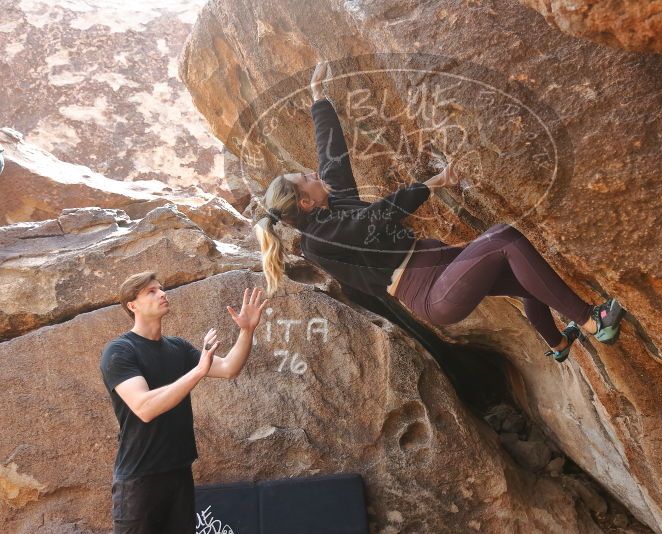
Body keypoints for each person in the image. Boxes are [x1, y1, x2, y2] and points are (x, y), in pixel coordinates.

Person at [252, 61, 625, 363]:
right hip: (431, 292)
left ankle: (557, 343)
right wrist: (433, 183)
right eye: (304, 177)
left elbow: (331, 155)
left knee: (528, 276)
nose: (312, 173)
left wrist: (319, 97)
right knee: (504, 239)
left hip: (440, 264)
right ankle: (592, 321)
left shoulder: (332, 200)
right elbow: (374, 219)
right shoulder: (318, 240)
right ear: (304, 202)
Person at [99, 272, 268, 533]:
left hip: (179, 473)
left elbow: (229, 368)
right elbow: (144, 408)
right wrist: (198, 371)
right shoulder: (120, 351)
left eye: (161, 288)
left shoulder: (177, 347)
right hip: (139, 480)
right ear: (132, 305)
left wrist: (246, 330)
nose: (162, 294)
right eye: (151, 291)